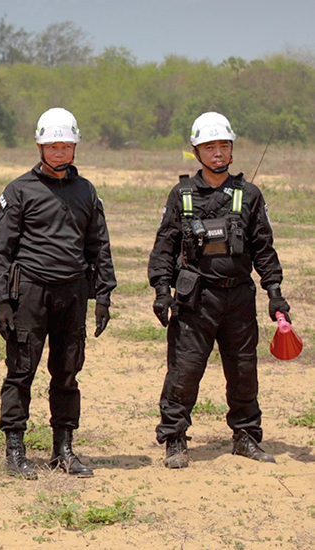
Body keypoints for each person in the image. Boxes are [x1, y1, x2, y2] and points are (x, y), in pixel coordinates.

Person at [148, 112, 289, 469]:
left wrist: (274, 292)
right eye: (209, 147)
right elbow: (165, 246)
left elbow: (263, 248)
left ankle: (246, 436)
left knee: (243, 370)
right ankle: (175, 438)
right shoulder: (181, 195)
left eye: (224, 145)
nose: (217, 153)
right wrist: (162, 290)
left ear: (232, 150)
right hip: (195, 299)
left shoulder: (250, 195)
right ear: (196, 151)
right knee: (185, 369)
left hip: (239, 297)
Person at [0, 107, 116, 480]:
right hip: (30, 291)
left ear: (75, 147)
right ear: (40, 146)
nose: (59, 152)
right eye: (52, 145)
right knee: (21, 371)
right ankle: (15, 449)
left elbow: (99, 246)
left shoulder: (86, 191)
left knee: (67, 372)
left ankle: (64, 450)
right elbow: (2, 249)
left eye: (66, 145)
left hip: (73, 293)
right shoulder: (19, 190)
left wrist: (103, 295)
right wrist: (1, 300)